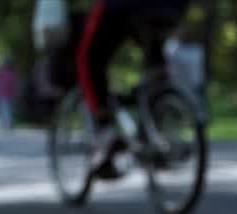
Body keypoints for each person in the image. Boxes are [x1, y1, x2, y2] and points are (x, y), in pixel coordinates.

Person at [76, 0, 192, 177]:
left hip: (124, 6)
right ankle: (156, 120)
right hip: (174, 6)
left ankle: (106, 131)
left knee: (89, 59)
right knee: (154, 48)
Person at [0, 59, 20, 130]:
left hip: (7, 94)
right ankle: (5, 124)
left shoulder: (11, 74)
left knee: (7, 109)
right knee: (5, 109)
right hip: (3, 94)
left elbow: (14, 84)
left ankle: (7, 124)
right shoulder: (1, 73)